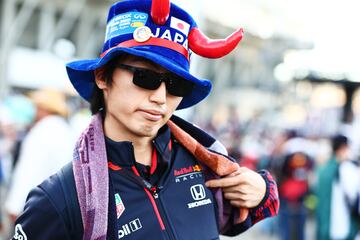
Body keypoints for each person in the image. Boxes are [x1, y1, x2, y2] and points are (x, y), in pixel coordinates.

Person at [12, 1, 279, 239]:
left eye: (176, 85)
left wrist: (261, 191)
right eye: (146, 78)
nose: (161, 98)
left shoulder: (206, 163)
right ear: (103, 76)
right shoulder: (60, 198)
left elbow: (236, 219)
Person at [5, 89, 74, 225]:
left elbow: (28, 171)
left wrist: (14, 206)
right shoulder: (65, 130)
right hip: (58, 208)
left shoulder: (41, 131)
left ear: (43, 108)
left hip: (34, 207)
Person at [316, 134, 360, 240]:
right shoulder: (346, 169)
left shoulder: (323, 169)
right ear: (343, 148)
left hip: (324, 227)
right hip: (343, 228)